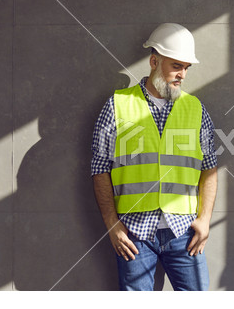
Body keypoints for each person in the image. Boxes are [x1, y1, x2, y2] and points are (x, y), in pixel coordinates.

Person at [91, 23, 218, 291]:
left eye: (186, 68)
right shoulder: (117, 105)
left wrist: (205, 220)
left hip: (183, 232)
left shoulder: (196, 109)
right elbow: (99, 167)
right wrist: (112, 224)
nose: (182, 74)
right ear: (153, 61)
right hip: (134, 233)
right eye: (176, 66)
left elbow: (209, 168)